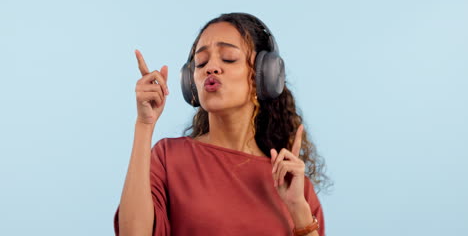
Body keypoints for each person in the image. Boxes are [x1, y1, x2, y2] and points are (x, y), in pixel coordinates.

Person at [113, 12, 329, 236]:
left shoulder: (295, 183)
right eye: (201, 62)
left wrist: (298, 209)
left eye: (228, 58)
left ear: (264, 76)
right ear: (191, 82)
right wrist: (144, 125)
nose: (211, 67)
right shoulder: (169, 157)